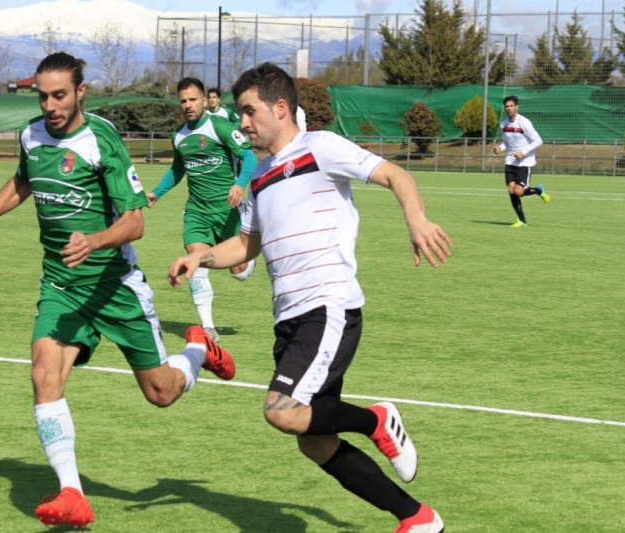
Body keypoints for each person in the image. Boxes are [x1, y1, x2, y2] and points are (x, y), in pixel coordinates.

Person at [168, 63, 451, 533]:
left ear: (281, 108)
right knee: (314, 440)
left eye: (249, 111)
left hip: (328, 305)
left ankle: (375, 419)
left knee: (281, 410)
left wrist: (416, 219)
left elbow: (395, 175)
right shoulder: (258, 175)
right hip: (289, 319)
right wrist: (202, 258)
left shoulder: (319, 147)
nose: (242, 122)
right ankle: (417, 517)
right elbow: (246, 246)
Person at [0, 52, 235, 529]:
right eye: (43, 96)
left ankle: (196, 348)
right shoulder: (31, 136)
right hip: (61, 286)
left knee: (161, 394)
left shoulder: (101, 139)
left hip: (115, 287)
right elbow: (23, 182)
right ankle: (72, 493)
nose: (50, 105)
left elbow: (134, 223)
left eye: (60, 95)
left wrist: (94, 240)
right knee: (43, 374)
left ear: (81, 92)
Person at [147, 77, 258, 342]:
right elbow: (177, 169)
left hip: (227, 209)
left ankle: (247, 256)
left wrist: (239, 185)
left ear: (205, 100)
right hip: (196, 211)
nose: (187, 105)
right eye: (183, 100)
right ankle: (208, 327)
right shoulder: (179, 135)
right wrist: (157, 193)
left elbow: (250, 157)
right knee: (196, 263)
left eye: (193, 99)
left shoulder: (220, 127)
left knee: (240, 272)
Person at [493, 95, 550, 228]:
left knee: (519, 192)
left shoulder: (524, 122)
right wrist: (500, 148)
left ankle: (538, 190)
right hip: (511, 161)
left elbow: (538, 140)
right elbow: (508, 142)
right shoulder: (503, 124)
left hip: (525, 162)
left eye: (511, 106)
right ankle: (522, 221)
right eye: (506, 106)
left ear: (516, 107)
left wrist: (523, 152)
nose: (509, 109)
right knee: (511, 190)